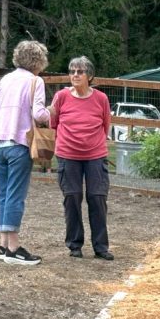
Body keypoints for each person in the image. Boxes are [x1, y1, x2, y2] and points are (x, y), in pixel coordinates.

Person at [0, 39, 50, 266]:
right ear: (38, 60)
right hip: (19, 143)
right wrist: (52, 111)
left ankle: (3, 245)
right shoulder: (35, 81)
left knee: (4, 194)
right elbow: (39, 114)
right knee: (16, 195)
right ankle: (14, 248)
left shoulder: (6, 80)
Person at [49, 56, 113, 260]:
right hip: (68, 154)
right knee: (72, 197)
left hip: (95, 154)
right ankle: (74, 244)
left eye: (80, 71)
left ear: (90, 75)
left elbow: (105, 125)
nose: (75, 75)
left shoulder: (101, 98)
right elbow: (54, 123)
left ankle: (101, 247)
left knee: (97, 197)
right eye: (72, 71)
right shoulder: (61, 96)